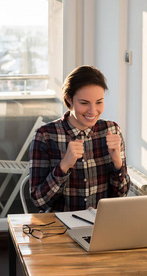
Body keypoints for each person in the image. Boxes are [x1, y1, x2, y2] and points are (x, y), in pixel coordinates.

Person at [29, 65, 130, 212]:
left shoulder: (112, 130)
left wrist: (117, 163)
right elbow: (39, 201)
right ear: (69, 99)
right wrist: (64, 166)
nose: (93, 111)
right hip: (59, 227)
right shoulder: (45, 136)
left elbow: (121, 195)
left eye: (99, 102)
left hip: (100, 226)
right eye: (84, 103)